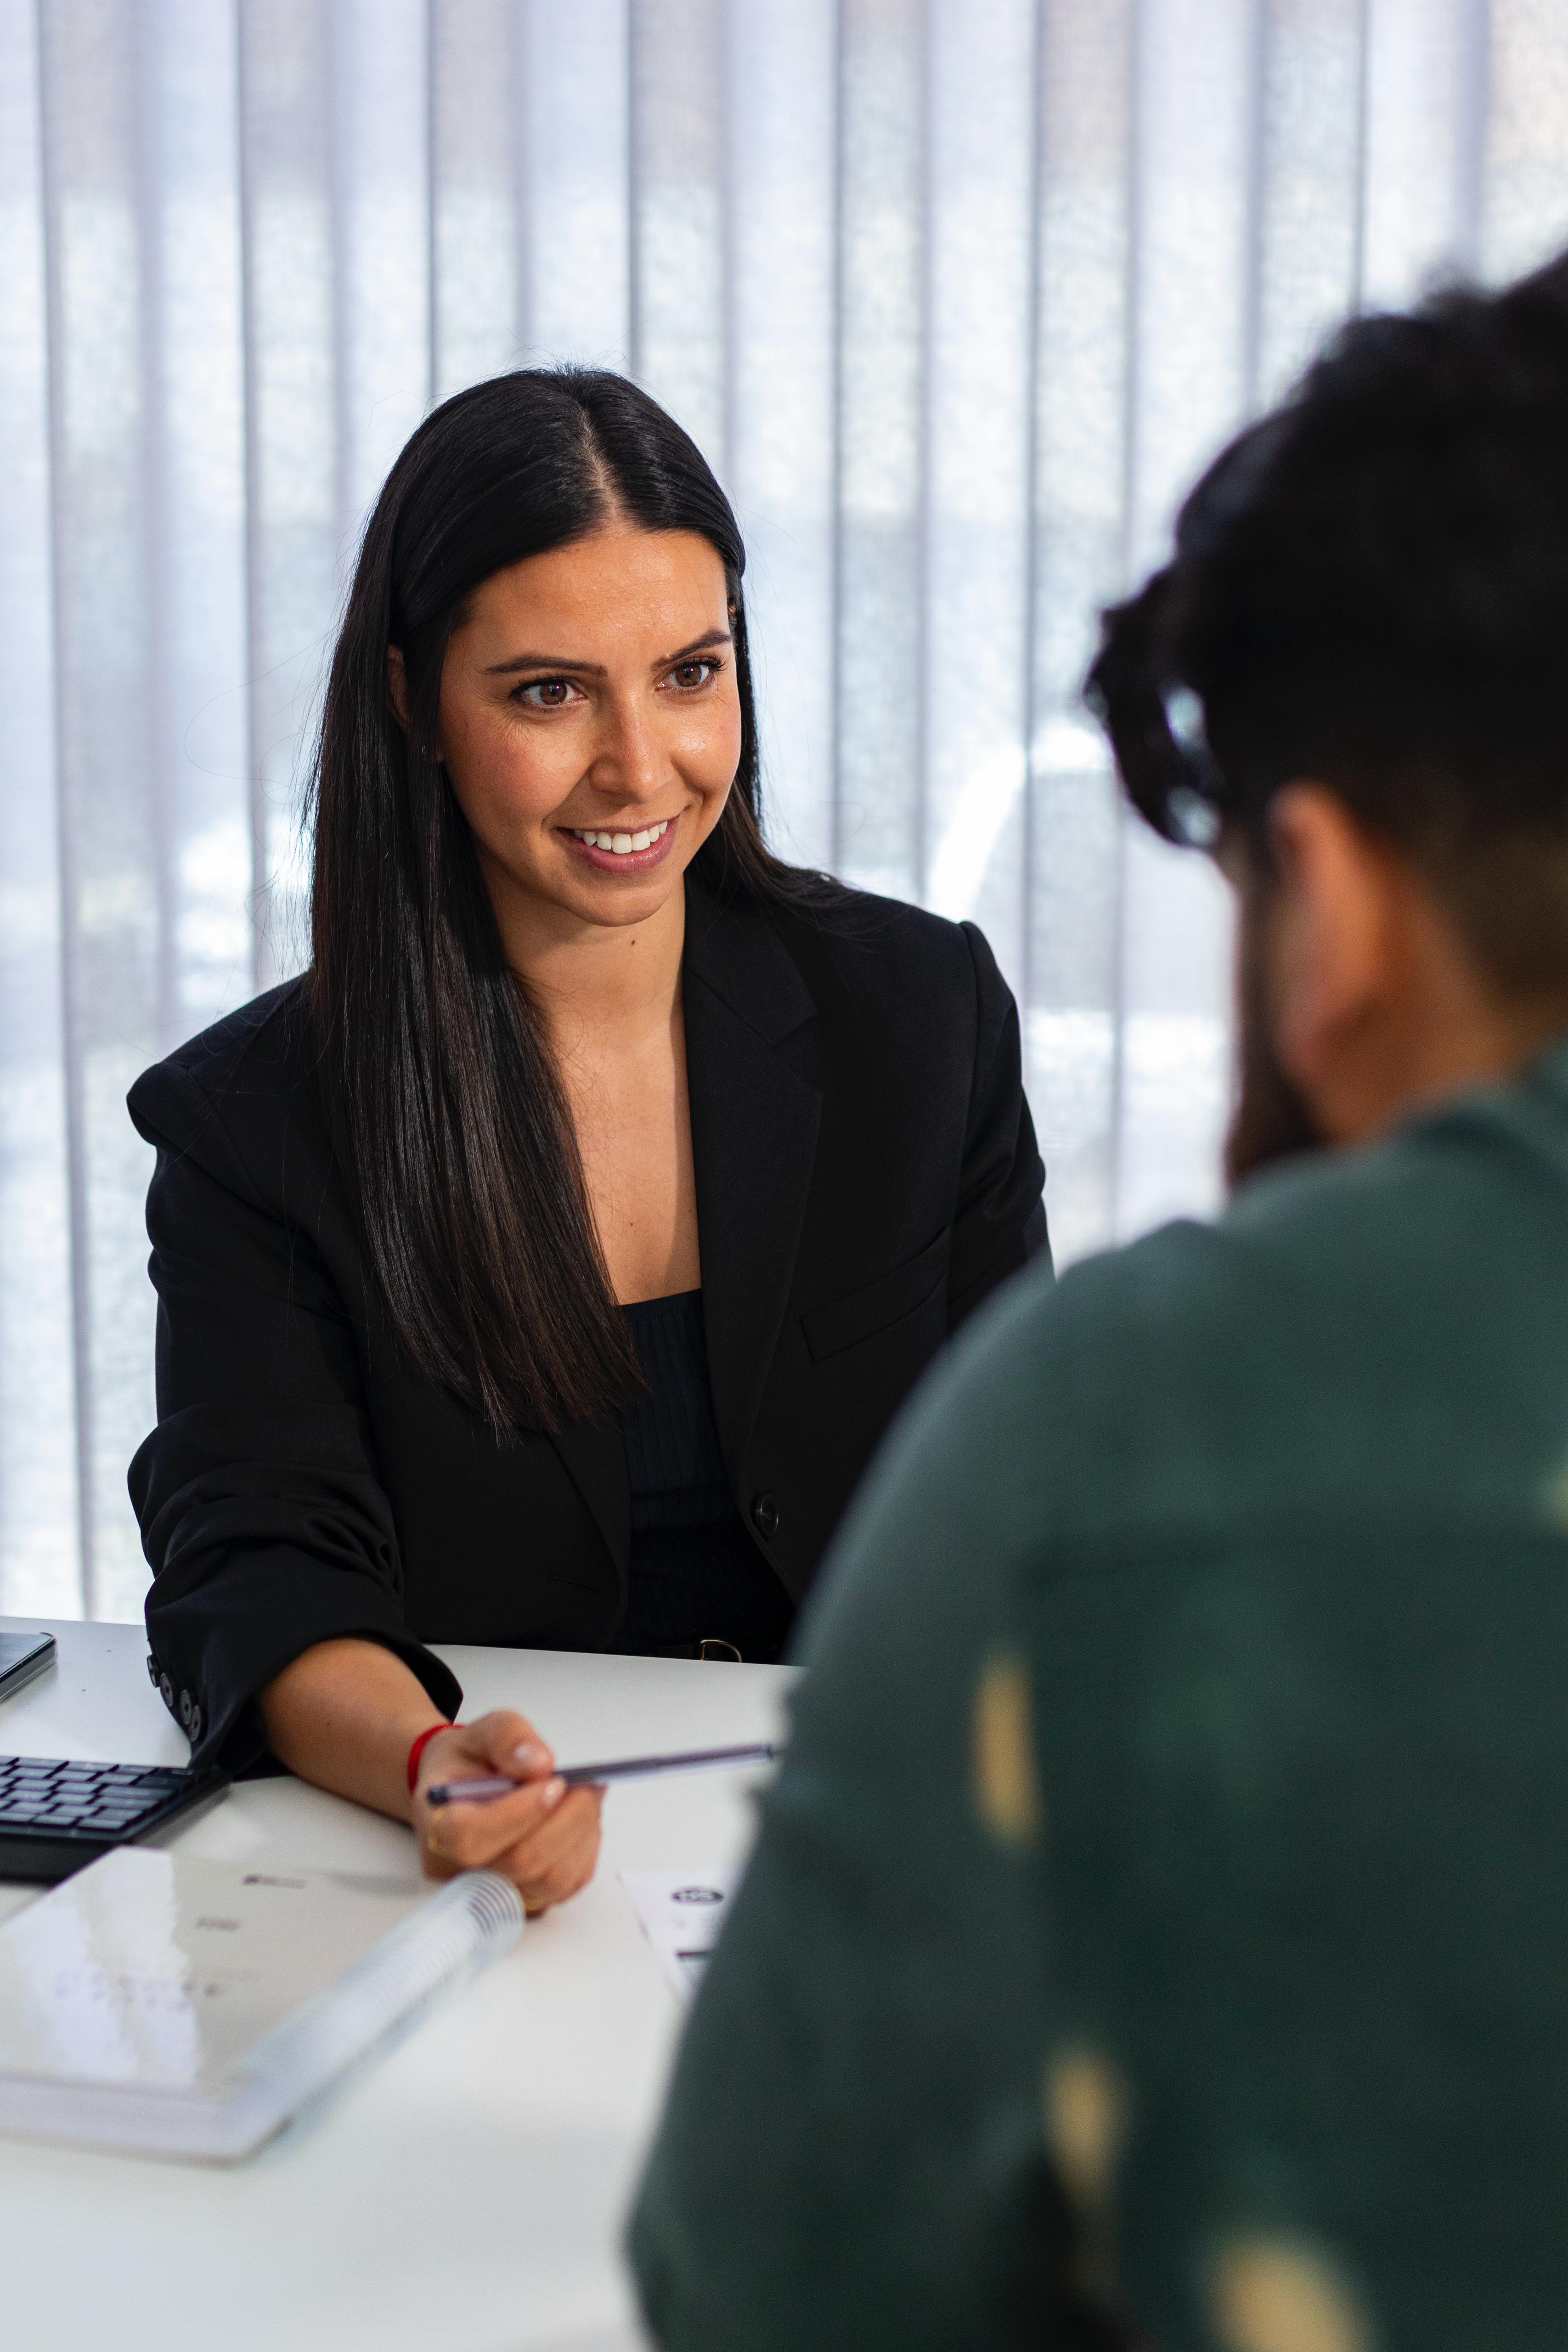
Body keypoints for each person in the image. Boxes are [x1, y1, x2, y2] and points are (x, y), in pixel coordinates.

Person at [630, 256, 1568, 2347]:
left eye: (687, 671)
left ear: (1314, 896)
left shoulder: (1130, 1427)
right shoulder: (272, 1096)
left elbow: (769, 2281)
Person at [128, 368, 1046, 1915]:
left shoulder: (919, 1013)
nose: (641, 765)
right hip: (499, 1888)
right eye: (550, 693)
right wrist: (435, 1768)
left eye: (691, 673)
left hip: (888, 1860)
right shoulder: (256, 1125)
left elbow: (1032, 1487)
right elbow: (257, 1573)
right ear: (414, 700)